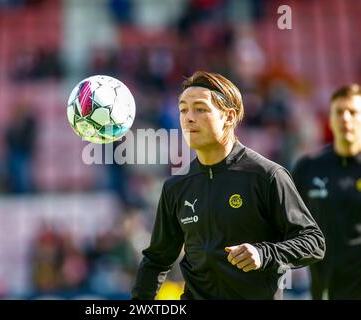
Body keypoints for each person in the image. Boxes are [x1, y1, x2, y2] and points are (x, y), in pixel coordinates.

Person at [131, 71, 325, 300]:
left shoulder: (267, 176)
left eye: (200, 109)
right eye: (183, 109)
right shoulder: (176, 186)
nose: (188, 118)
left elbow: (313, 242)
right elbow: (157, 260)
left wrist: (264, 253)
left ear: (229, 116)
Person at [292, 84, 361, 300]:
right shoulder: (308, 167)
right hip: (323, 284)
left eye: (353, 112)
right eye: (339, 112)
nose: (346, 119)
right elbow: (286, 220)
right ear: (329, 119)